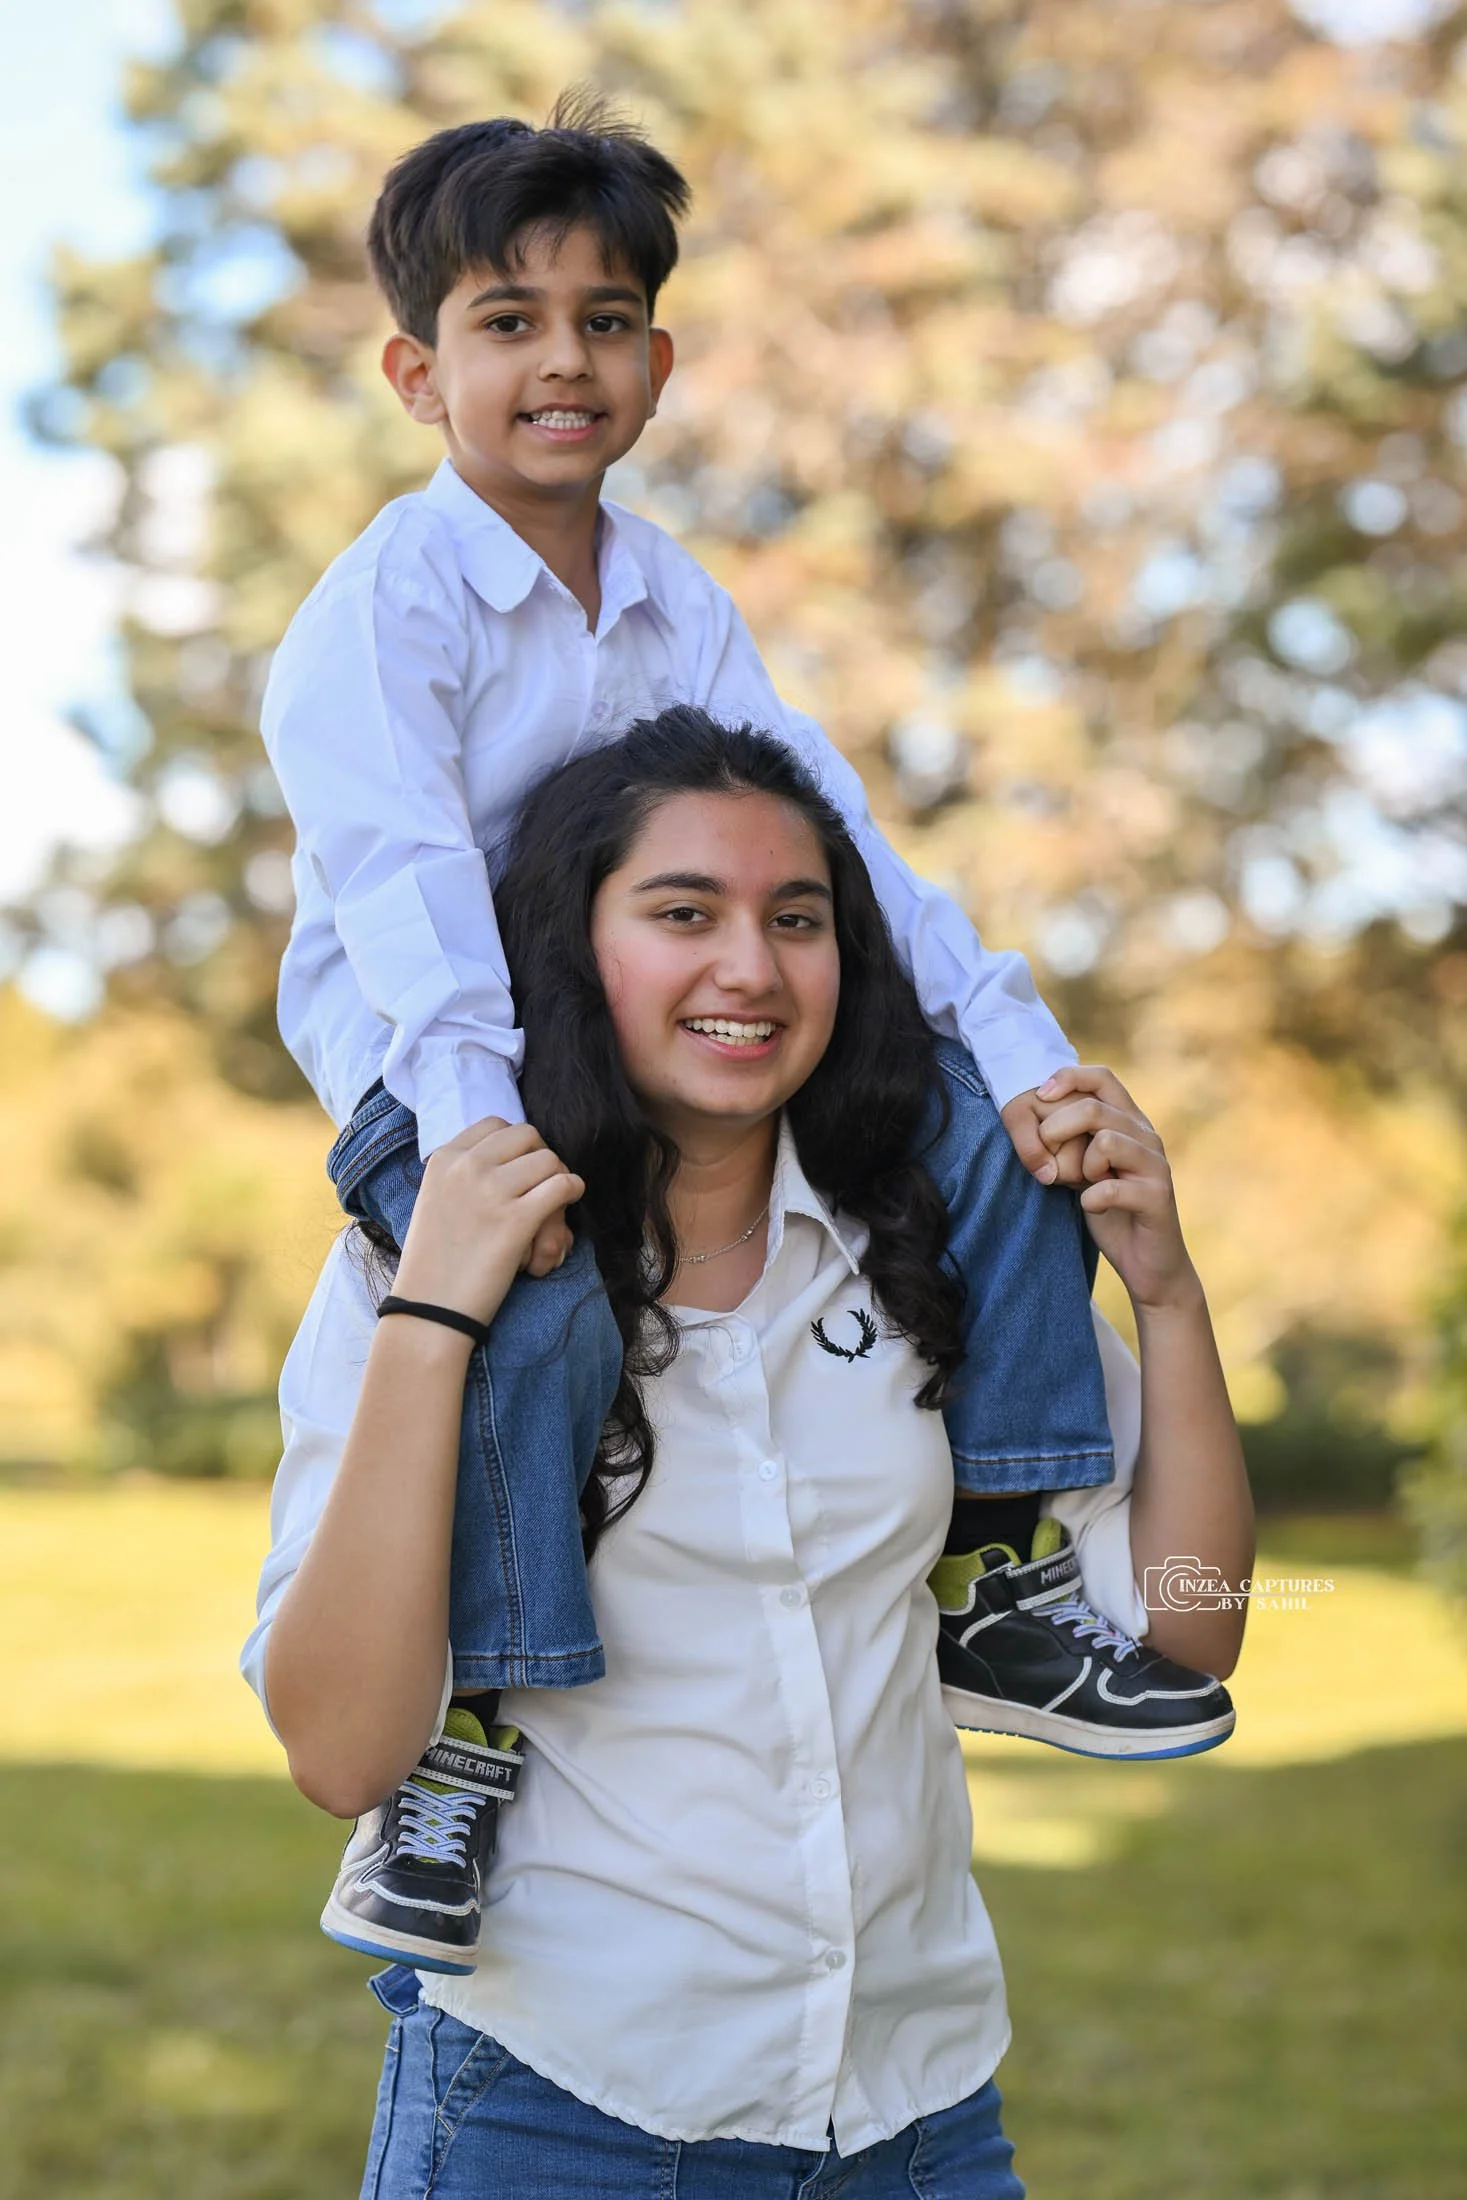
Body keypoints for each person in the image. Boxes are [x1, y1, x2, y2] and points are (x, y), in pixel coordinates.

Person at [257, 99, 1224, 1971]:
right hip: (435, 1070)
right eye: (506, 320)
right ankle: (454, 1749)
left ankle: (1001, 1576)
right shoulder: (378, 612)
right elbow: (410, 912)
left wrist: (1022, 1053)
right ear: (413, 367)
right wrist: (479, 1159)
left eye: (605, 320)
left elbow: (832, 840)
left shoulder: (673, 598)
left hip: (635, 1057)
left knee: (985, 1124)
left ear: (658, 360)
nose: (562, 360)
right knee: (529, 1309)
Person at [243, 718, 1252, 2197]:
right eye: (681, 913)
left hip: (918, 2122)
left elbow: (1185, 1619)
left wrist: (1167, 1298)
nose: (752, 969)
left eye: (799, 920)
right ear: (573, 951)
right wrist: (435, 1312)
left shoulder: (933, 1248)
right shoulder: (415, 1277)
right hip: (558, 2114)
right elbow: (338, 1752)